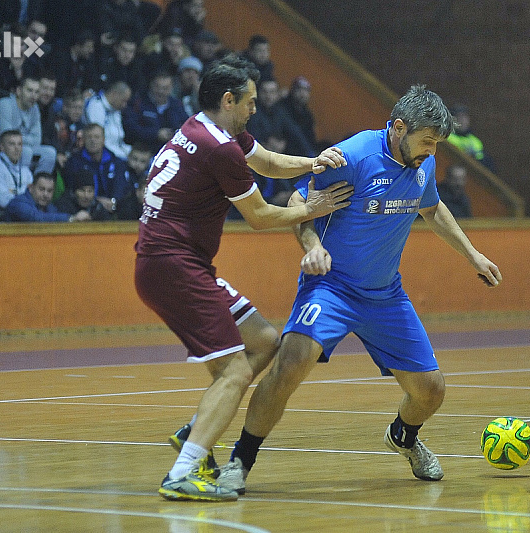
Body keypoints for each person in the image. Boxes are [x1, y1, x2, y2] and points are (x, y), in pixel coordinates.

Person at [171, 85, 502, 496]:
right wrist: (313, 248)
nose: (433, 151)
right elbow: (300, 200)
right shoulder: (354, 156)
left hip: (385, 296)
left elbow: (431, 208)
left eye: (436, 144)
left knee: (431, 391)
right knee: (290, 363)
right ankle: (241, 461)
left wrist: (473, 255)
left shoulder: (422, 163)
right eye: (428, 141)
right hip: (332, 288)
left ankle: (403, 436)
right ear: (399, 128)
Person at [134, 55, 353, 502]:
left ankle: (196, 429)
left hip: (169, 263)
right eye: (250, 102)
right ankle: (183, 470)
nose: (256, 110)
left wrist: (313, 163)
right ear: (229, 99)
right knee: (234, 370)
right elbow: (258, 216)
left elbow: (268, 162)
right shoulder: (220, 149)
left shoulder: (203, 128)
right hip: (174, 266)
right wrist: (312, 209)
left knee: (265, 340)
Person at [64, 123, 132, 215]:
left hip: (115, 207)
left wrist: (113, 201)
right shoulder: (74, 162)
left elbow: (121, 185)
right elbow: (72, 189)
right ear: (83, 140)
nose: (93, 140)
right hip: (84, 209)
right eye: (89, 137)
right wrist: (97, 201)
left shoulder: (116, 162)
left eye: (96, 137)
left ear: (103, 140)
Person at [0, 75, 57, 174]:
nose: (33, 96)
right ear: (19, 91)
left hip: (27, 147)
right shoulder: (5, 104)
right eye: (29, 90)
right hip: (4, 149)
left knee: (50, 153)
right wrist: (27, 139)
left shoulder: (35, 108)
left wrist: (21, 139)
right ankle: (21, 184)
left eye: (36, 92)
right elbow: (7, 137)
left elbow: (37, 140)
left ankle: (38, 184)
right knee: (26, 151)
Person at [123, 71, 188, 152]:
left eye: (165, 88)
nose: (160, 91)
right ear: (151, 85)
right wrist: (156, 134)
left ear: (171, 88)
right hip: (141, 151)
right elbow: (130, 129)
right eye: (157, 87)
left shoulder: (177, 105)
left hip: (170, 152)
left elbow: (186, 128)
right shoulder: (138, 102)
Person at [0, 129, 33, 222]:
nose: (17, 148)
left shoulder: (25, 170)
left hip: (24, 218)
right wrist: (25, 198)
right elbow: (5, 203)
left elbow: (34, 199)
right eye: (12, 144)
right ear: (2, 146)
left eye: (19, 144)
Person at [5, 171, 89, 222]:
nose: (45, 194)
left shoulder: (50, 207)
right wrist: (70, 218)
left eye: (49, 191)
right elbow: (36, 218)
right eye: (41, 189)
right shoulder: (18, 203)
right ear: (31, 188)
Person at [84, 81, 133, 160]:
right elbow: (99, 141)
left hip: (119, 150)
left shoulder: (116, 110)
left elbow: (119, 140)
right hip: (105, 154)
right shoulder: (96, 106)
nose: (125, 105)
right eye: (123, 101)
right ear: (114, 94)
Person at [447, 104, 497, 174]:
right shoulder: (446, 138)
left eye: (465, 118)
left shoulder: (475, 141)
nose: (463, 121)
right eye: (459, 118)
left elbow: (483, 160)